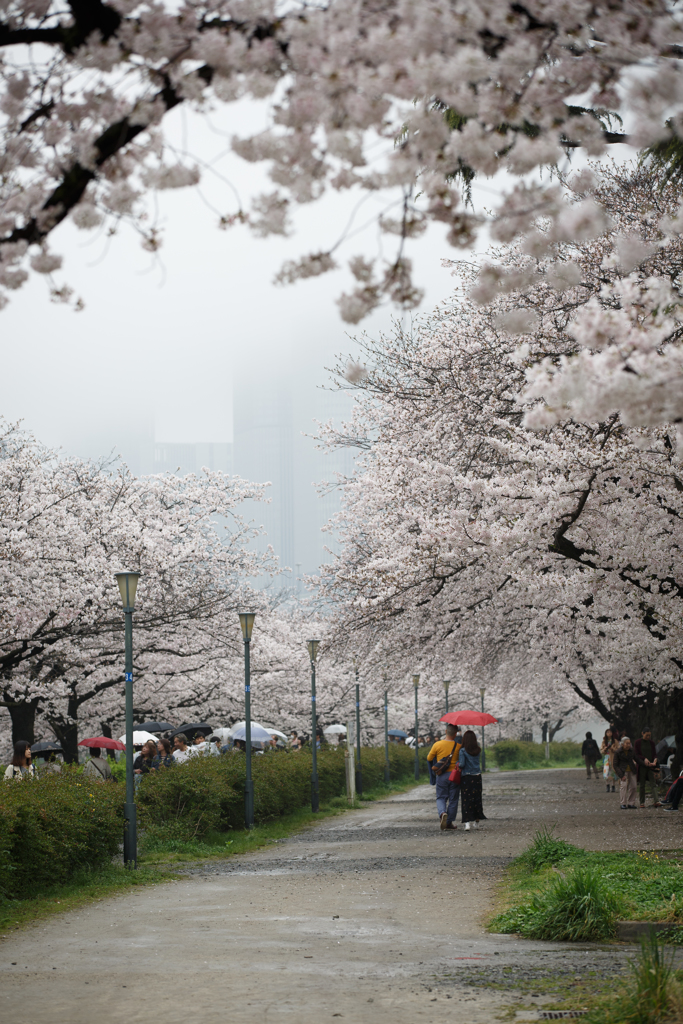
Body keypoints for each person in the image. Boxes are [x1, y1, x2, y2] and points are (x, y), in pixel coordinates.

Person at [427, 724, 462, 830]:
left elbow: (429, 758)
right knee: (453, 799)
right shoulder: (459, 746)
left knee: (441, 797)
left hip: (441, 775)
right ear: (455, 734)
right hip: (454, 776)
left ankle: (442, 813)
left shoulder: (437, 744)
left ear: (446, 731)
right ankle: (449, 822)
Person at [458, 730, 486, 832]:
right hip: (477, 777)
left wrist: (457, 763)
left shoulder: (463, 751)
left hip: (467, 777)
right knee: (477, 799)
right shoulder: (478, 749)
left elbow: (461, 764)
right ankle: (477, 822)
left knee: (466, 800)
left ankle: (467, 824)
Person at [613, 736, 644, 809]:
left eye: (629, 743)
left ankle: (631, 803)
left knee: (633, 787)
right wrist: (621, 775)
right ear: (622, 744)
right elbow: (615, 765)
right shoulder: (618, 752)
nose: (628, 745)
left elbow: (637, 759)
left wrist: (646, 764)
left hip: (632, 770)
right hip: (623, 771)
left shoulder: (631, 750)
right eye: (627, 743)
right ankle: (623, 803)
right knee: (623, 787)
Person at [634, 727, 661, 808]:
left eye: (649, 735)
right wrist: (644, 759)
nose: (648, 737)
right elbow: (636, 754)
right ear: (642, 733)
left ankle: (656, 800)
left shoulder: (652, 743)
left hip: (650, 766)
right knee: (642, 784)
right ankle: (642, 802)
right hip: (642, 766)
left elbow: (654, 754)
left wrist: (655, 760)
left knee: (653, 783)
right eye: (647, 735)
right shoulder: (637, 742)